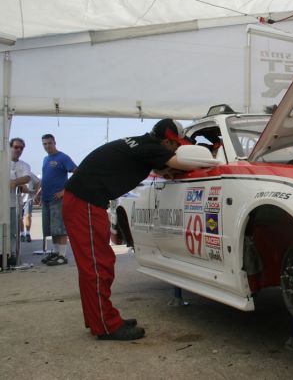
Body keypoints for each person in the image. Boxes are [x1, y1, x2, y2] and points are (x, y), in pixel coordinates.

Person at [63, 119, 196, 341]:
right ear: (166, 141)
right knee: (97, 266)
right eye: (176, 145)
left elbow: (154, 166)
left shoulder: (141, 144)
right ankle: (106, 326)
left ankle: (100, 319)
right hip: (84, 203)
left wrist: (165, 170)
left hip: (82, 200)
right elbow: (182, 163)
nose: (177, 150)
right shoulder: (151, 148)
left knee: (96, 264)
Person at [35, 134, 77, 266]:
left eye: (49, 143)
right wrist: (39, 193)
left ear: (54, 143)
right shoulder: (45, 159)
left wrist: (65, 191)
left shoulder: (62, 157)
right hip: (46, 198)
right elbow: (46, 178)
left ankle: (62, 256)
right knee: (52, 229)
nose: (47, 146)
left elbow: (77, 172)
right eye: (45, 144)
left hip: (57, 199)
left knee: (60, 228)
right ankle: (56, 252)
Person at [7, 138, 31, 267]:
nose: (18, 150)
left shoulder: (24, 165)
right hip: (2, 203)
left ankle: (12, 254)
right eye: (16, 147)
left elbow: (27, 177)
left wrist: (15, 182)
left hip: (15, 204)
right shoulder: (3, 162)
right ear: (10, 147)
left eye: (21, 148)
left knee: (13, 231)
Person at [21, 171, 40, 243]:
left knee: (28, 215)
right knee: (19, 217)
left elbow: (38, 182)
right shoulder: (15, 172)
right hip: (18, 197)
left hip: (28, 197)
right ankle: (22, 234)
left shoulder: (29, 173)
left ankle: (27, 233)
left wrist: (35, 194)